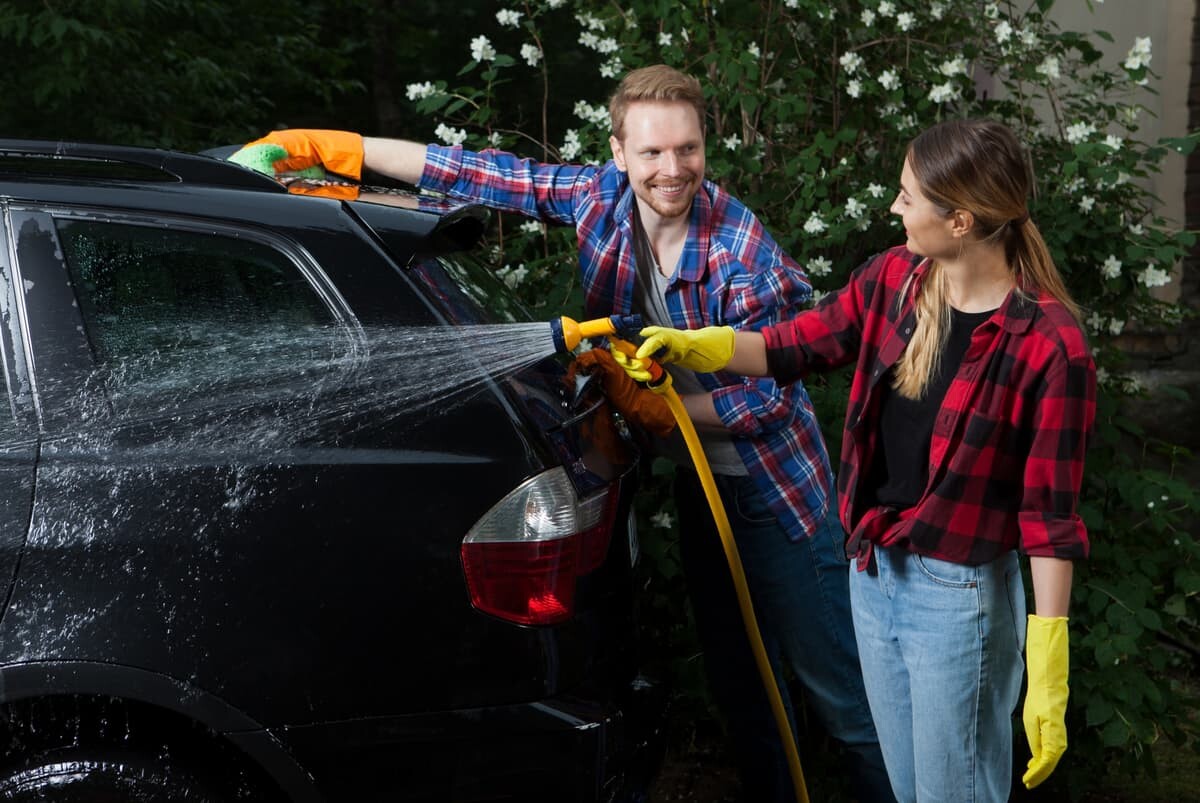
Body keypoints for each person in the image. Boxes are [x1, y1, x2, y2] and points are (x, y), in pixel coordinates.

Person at [234, 65, 892, 802]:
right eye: (651, 153)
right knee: (744, 686)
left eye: (688, 149)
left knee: (841, 698)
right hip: (704, 489)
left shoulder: (742, 251)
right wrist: (338, 147)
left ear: (705, 146)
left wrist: (652, 408)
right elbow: (479, 173)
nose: (672, 170)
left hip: (774, 498)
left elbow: (772, 393)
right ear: (619, 154)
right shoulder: (598, 200)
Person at [619, 118, 1095, 802]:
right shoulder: (895, 280)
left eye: (908, 197)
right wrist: (702, 346)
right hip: (873, 574)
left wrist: (1048, 652)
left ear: (959, 220)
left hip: (958, 602)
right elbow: (797, 343)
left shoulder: (1050, 344)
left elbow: (1048, 516)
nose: (894, 208)